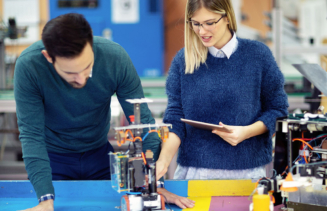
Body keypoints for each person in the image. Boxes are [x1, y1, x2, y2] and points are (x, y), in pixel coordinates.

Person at [14, 13, 194, 211]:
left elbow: (143, 124)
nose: (81, 80)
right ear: (49, 57)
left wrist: (154, 185)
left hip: (100, 156)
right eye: (70, 74)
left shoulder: (114, 58)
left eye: (87, 68)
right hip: (53, 159)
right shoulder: (29, 66)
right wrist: (45, 201)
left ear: (91, 45)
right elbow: (31, 136)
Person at [156, 0, 289, 181]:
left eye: (209, 23)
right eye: (196, 24)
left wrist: (246, 132)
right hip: (193, 174)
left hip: (247, 174)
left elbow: (278, 110)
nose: (202, 31)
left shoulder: (258, 55)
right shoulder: (183, 60)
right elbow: (175, 117)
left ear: (226, 17)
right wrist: (163, 160)